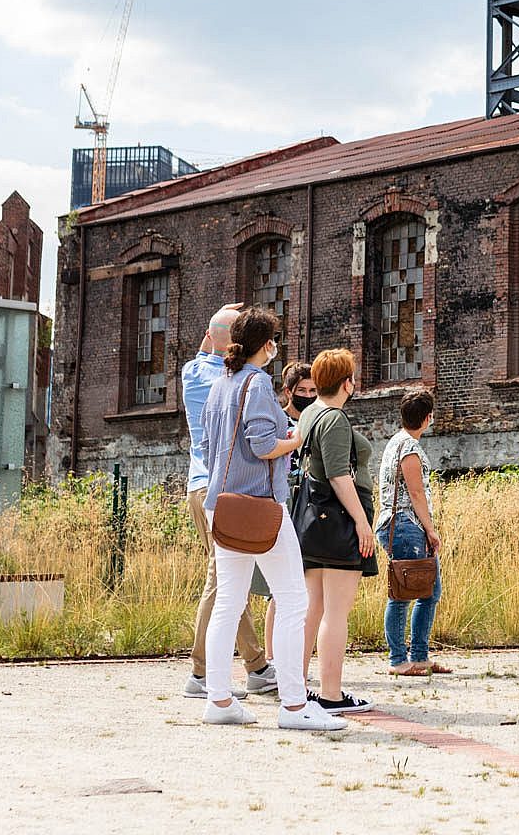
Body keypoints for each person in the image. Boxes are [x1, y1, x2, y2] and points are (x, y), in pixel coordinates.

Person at [200, 306, 343, 730]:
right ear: (266, 345)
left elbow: (208, 445)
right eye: (274, 341)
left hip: (221, 504)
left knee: (229, 601)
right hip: (260, 504)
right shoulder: (258, 383)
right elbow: (263, 445)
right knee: (293, 600)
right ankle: (294, 707)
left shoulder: (220, 383)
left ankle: (219, 699)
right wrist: (294, 439)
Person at [181, 302, 275, 700]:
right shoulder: (235, 378)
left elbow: (208, 346)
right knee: (221, 581)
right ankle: (200, 675)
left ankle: (255, 665)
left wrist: (216, 320)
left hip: (198, 485)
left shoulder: (192, 373)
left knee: (228, 580)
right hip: (224, 487)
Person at [293, 347, 378, 714]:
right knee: (335, 613)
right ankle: (331, 694)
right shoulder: (336, 419)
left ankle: (297, 687)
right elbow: (339, 475)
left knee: (312, 608)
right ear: (348, 382)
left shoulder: (309, 414)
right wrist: (362, 522)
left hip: (311, 519)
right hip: (339, 519)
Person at [376, 388, 447, 677]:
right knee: (404, 594)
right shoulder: (410, 449)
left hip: (400, 525)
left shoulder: (397, 441)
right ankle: (399, 660)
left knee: (428, 590)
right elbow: (416, 493)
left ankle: (418, 656)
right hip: (405, 525)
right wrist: (431, 530)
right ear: (428, 418)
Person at [257, 360, 317, 663]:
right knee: (278, 590)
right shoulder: (279, 422)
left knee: (302, 585)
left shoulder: (316, 421)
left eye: (313, 390)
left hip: (309, 505)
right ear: (288, 391)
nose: (308, 395)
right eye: (302, 390)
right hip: (284, 500)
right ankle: (270, 657)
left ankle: (294, 655)